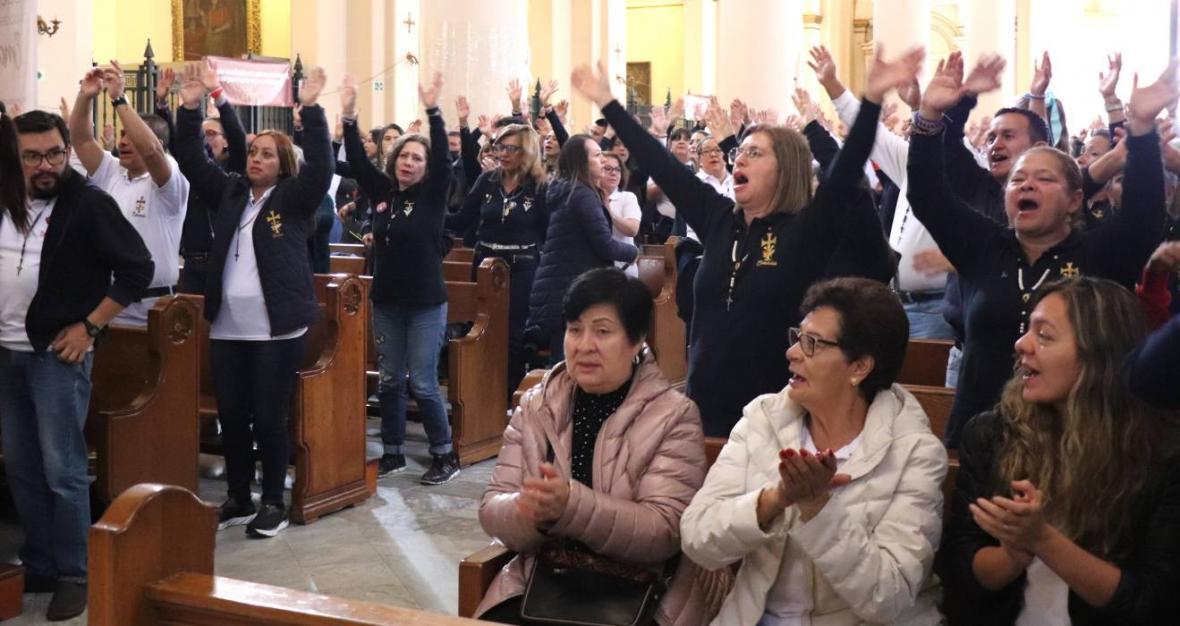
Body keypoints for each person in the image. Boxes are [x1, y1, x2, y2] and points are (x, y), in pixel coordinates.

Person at [576, 47, 922, 437]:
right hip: (703, 410)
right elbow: (662, 165)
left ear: (786, 168)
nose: (738, 160)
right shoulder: (718, 217)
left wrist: (871, 101)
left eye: (754, 154)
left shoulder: (806, 230)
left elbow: (845, 175)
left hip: (778, 418)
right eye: (739, 152)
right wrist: (609, 103)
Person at [906, 56, 1174, 447]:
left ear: (1074, 199)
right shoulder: (985, 247)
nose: (1025, 186)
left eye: (1043, 179)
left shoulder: (1099, 253)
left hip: (1077, 442)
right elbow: (929, 197)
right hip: (982, 439)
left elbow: (1143, 214)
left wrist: (1143, 130)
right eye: (1018, 180)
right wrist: (928, 116)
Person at [681, 277, 947, 625]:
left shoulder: (914, 451)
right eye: (797, 337)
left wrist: (818, 508)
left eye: (813, 344)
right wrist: (774, 501)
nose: (792, 353)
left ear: (859, 367)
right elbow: (697, 538)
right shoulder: (763, 419)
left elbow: (887, 598)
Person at [940, 277, 1180, 624]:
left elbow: (1152, 602)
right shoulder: (992, 434)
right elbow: (961, 574)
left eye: (1044, 336)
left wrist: (1044, 540)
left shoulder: (1163, 453)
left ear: (1099, 357)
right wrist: (1013, 553)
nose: (1021, 344)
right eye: (1027, 330)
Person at [476, 268, 707, 625]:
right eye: (574, 329)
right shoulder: (539, 405)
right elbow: (492, 507)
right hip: (543, 585)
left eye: (602, 331)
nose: (584, 345)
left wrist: (569, 506)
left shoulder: (674, 416)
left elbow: (665, 531)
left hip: (640, 592)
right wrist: (527, 510)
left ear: (636, 341)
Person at [0, 109, 153, 620]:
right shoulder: (6, 197)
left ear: (68, 150)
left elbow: (137, 269)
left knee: (62, 468)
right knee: (21, 466)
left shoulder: (88, 203)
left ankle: (74, 573)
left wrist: (90, 327)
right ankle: (40, 562)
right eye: (32, 156)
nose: (45, 165)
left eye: (54, 153)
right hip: (6, 353)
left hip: (55, 357)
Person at [173, 62, 333, 537]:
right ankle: (239, 496)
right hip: (228, 325)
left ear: (282, 164)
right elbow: (191, 160)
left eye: (266, 154)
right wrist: (188, 107)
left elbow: (321, 167)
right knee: (233, 415)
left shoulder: (293, 199)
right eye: (254, 152)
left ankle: (273, 501)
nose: (256, 158)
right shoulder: (231, 193)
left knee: (268, 415)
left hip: (275, 328)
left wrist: (314, 109)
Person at [340, 73, 461, 484]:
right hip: (387, 300)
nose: (408, 163)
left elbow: (445, 159)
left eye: (416, 159)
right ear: (394, 161)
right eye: (404, 157)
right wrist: (350, 115)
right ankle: (392, 451)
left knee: (424, 383)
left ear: (425, 169)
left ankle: (444, 454)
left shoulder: (432, 194)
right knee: (391, 379)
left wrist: (434, 112)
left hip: (426, 302)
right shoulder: (382, 192)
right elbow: (357, 160)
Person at [810, 44, 955, 340]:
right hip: (897, 299)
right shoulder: (909, 162)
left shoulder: (963, 171)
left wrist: (923, 110)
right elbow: (873, 137)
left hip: (936, 306)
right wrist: (833, 85)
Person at [69, 63, 190, 326]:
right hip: (109, 303)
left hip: (154, 307)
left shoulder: (169, 180)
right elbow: (81, 141)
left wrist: (120, 99)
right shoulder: (112, 171)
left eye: (130, 137)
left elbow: (152, 153)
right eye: (122, 136)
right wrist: (85, 96)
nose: (122, 143)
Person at [447, 119, 550, 396]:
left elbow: (547, 232)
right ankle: (480, 398)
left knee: (513, 337)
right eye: (499, 147)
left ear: (527, 152)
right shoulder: (487, 181)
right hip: (484, 265)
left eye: (511, 149)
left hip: (522, 269)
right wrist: (430, 213)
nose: (502, 153)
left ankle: (509, 400)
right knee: (480, 332)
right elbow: (460, 220)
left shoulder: (539, 186)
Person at [526, 131, 639, 364]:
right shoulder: (582, 195)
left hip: (561, 287)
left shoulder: (569, 190)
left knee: (567, 364)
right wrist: (634, 252)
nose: (604, 161)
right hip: (569, 288)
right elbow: (604, 245)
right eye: (597, 155)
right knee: (569, 367)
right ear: (582, 161)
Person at [600, 151, 642, 277]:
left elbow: (632, 229)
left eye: (617, 169)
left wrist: (609, 212)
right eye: (607, 168)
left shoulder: (627, 197)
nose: (613, 173)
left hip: (624, 270)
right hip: (596, 269)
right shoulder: (587, 197)